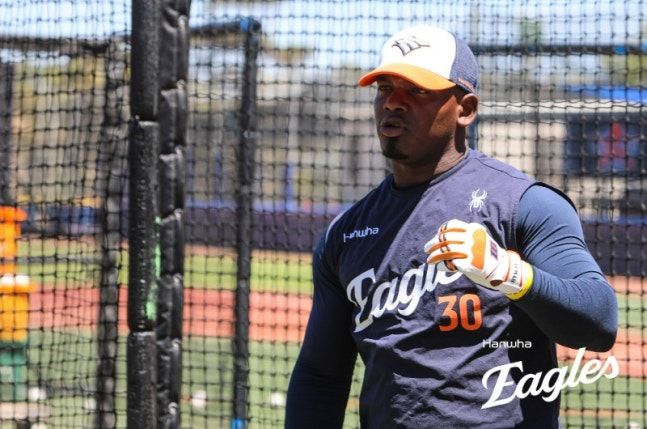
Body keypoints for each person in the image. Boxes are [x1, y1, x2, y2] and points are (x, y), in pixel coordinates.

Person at [285, 24, 617, 428]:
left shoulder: (525, 204)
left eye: (417, 90)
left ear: (465, 109)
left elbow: (599, 322)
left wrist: (508, 273)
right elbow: (320, 376)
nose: (393, 102)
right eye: (385, 88)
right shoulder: (346, 232)